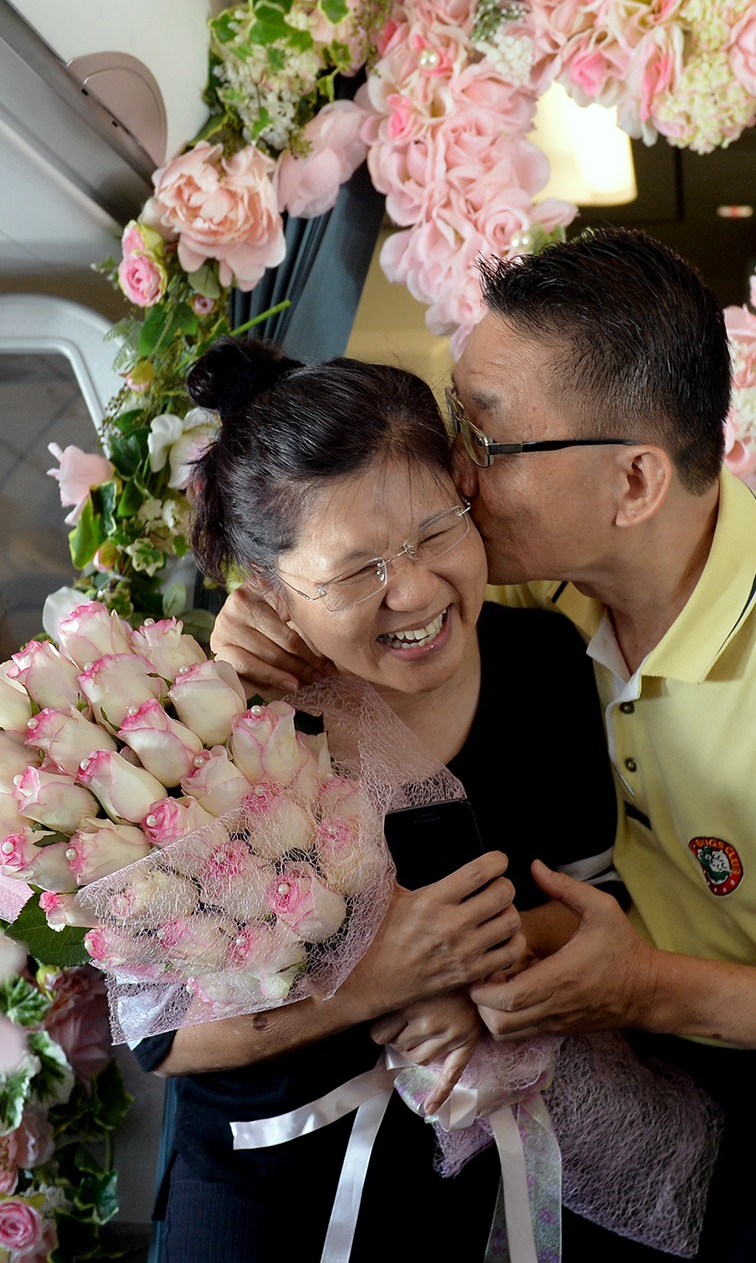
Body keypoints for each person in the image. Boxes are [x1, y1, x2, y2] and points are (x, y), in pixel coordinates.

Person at [211, 228, 756, 1260]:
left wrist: (647, 985)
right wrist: (255, 624)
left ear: (637, 483)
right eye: (459, 420)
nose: (456, 478)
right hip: (648, 1074)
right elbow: (364, 569)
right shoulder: (560, 574)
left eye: (492, 443)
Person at [138, 337, 637, 1261]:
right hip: (258, 1191)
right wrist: (373, 981)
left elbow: (593, 903)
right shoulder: (215, 720)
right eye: (356, 569)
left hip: (470, 1175)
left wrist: (488, 976)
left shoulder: (545, 668)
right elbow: (161, 1038)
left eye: (434, 533)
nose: (413, 590)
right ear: (268, 591)